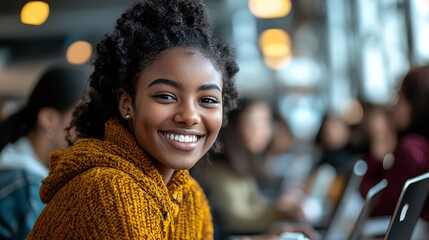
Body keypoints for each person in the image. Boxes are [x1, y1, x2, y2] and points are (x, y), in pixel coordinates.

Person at [27, 0, 240, 239]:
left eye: (208, 100)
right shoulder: (109, 191)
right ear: (127, 103)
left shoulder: (189, 195)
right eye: (166, 96)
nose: (190, 116)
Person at [193, 97, 317, 239]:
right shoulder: (217, 168)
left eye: (266, 123)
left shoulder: (242, 164)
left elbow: (256, 205)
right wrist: (279, 212)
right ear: (234, 126)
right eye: (255, 123)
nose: (264, 131)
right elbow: (235, 220)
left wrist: (281, 208)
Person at [0, 65, 87, 240]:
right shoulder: (26, 188)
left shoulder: (22, 173)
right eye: (80, 118)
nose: (86, 130)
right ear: (49, 119)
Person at [359, 65, 429, 221]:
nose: (395, 106)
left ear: (416, 103)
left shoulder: (411, 148)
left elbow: (377, 207)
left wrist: (375, 158)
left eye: (399, 98)